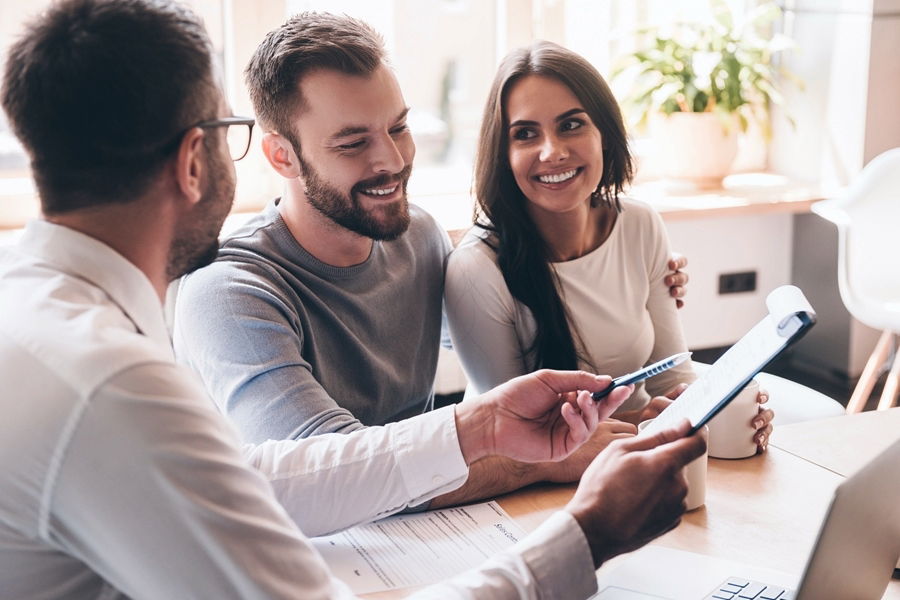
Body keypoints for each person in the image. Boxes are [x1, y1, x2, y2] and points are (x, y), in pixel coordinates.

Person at [0, 1, 707, 597]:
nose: (392, 160)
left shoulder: (44, 322)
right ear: (194, 160)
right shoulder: (113, 384)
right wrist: (586, 537)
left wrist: (481, 428)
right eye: (229, 133)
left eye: (399, 127)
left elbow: (269, 476)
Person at [172, 12, 691, 506]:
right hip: (300, 559)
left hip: (430, 532)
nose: (393, 162)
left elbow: (494, 319)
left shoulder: (415, 236)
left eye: (398, 128)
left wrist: (636, 278)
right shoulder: (230, 294)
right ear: (282, 155)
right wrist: (541, 460)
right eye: (354, 143)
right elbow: (330, 479)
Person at [444, 41, 774, 450]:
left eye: (571, 125)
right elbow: (517, 437)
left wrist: (719, 409)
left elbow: (671, 376)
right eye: (526, 134)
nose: (553, 152)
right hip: (526, 482)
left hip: (636, 455)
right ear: (502, 153)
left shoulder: (638, 224)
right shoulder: (476, 268)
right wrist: (643, 424)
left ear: (605, 133)